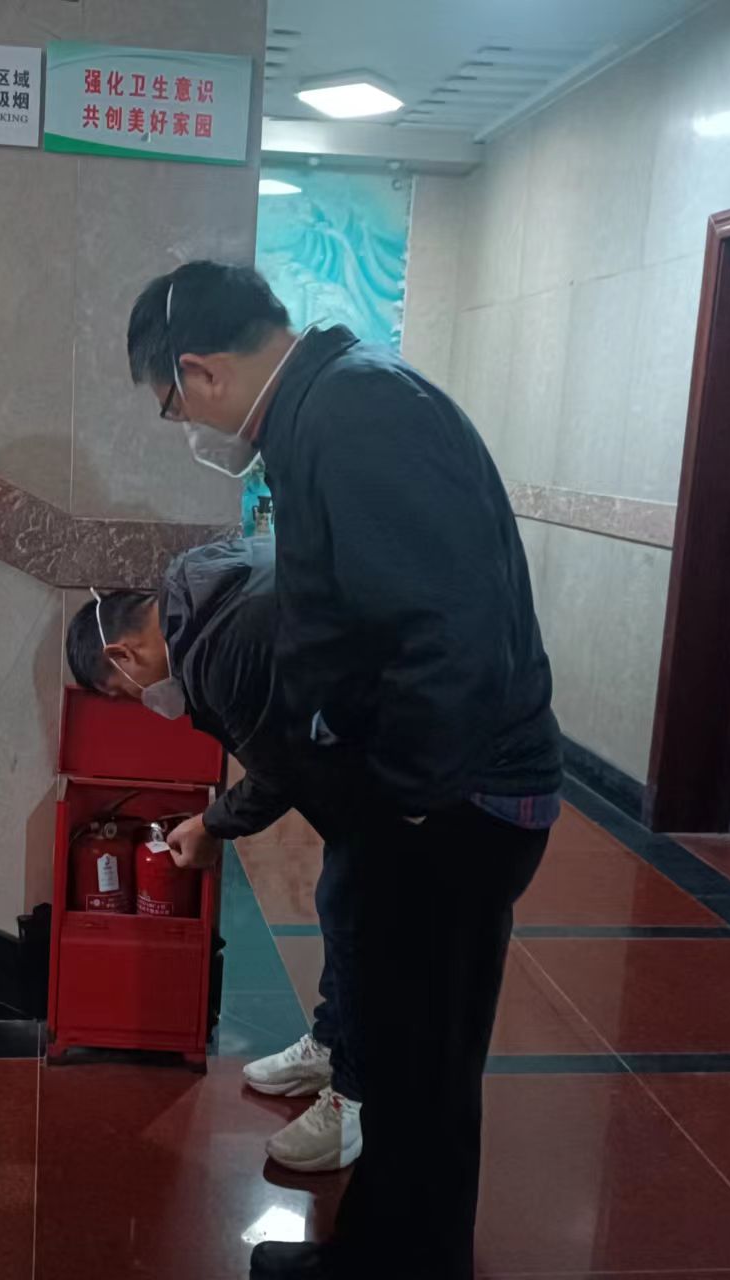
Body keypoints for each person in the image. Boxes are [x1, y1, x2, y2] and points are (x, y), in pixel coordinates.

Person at [125, 262, 562, 1280]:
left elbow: (446, 638)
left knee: (421, 1072)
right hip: (443, 797)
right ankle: (375, 1256)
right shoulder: (332, 405)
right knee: (412, 1065)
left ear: (200, 371)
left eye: (171, 405)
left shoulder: (353, 416)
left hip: (454, 804)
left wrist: (399, 802)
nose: (185, 425)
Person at [66, 538, 363, 1174]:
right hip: (359, 748)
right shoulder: (198, 589)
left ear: (123, 654)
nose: (136, 701)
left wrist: (210, 825)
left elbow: (280, 770)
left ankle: (355, 1099)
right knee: (342, 901)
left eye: (120, 692)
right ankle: (331, 1044)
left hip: (402, 762)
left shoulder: (221, 648)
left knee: (371, 928)